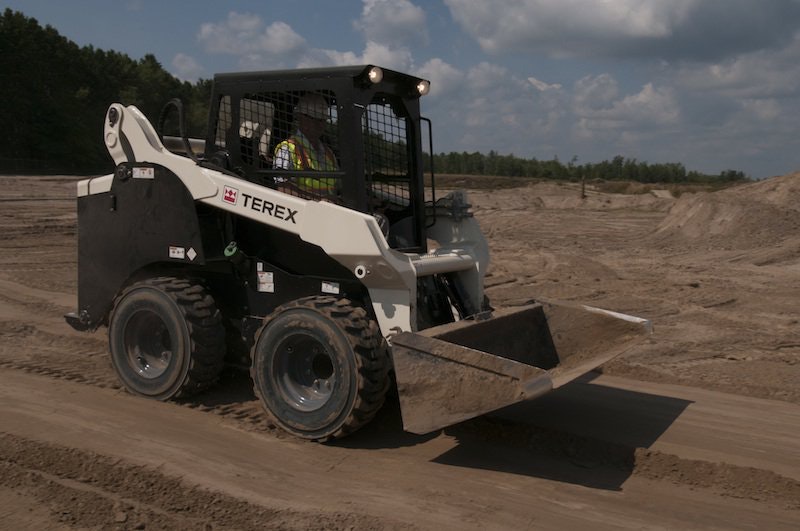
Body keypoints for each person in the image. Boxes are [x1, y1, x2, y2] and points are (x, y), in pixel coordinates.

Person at [273, 93, 338, 199]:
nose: (319, 124)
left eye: (322, 120)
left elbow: (338, 189)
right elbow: (283, 189)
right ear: (300, 117)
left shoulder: (329, 154)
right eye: (313, 118)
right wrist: (320, 200)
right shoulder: (287, 149)